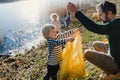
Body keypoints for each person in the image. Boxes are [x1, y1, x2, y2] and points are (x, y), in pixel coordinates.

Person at [67, 1, 120, 79]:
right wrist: (102, 17)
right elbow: (102, 25)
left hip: (117, 62)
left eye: (100, 15)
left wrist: (76, 12)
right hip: (115, 53)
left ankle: (114, 72)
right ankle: (110, 67)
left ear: (109, 13)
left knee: (87, 53)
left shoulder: (114, 26)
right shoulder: (115, 22)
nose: (99, 18)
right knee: (96, 44)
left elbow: (95, 27)